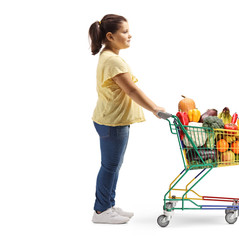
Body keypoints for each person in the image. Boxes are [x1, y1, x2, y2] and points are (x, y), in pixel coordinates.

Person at [88, 14, 165, 224]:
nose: (130, 35)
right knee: (110, 166)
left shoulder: (109, 56)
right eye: (125, 31)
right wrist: (155, 109)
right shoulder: (112, 60)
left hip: (110, 119)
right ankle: (102, 211)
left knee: (112, 166)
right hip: (113, 122)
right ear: (111, 36)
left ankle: (108, 205)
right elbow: (131, 90)